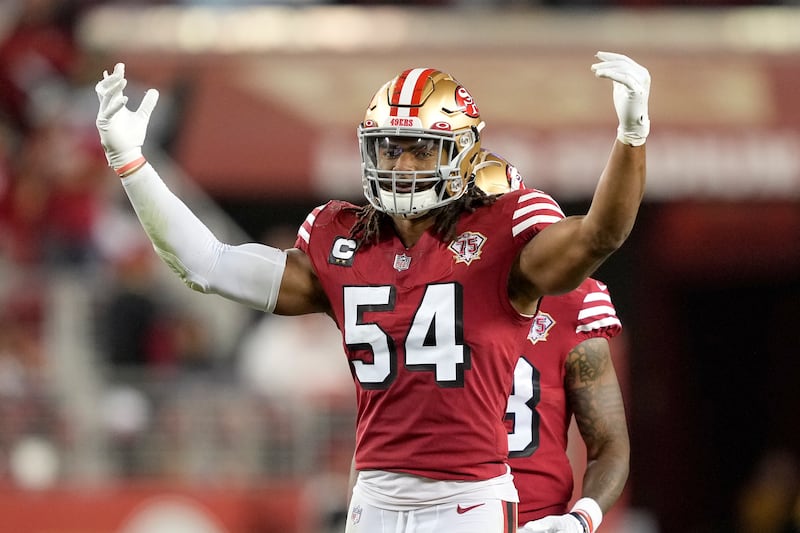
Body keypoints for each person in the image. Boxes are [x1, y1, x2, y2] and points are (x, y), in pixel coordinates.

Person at [94, 52, 650, 532]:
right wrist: (132, 166)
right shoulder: (344, 241)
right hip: (373, 500)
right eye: (389, 148)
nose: (401, 165)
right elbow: (206, 265)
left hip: (469, 497)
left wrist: (631, 136)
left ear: (461, 153)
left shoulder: (502, 238)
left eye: (419, 149)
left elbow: (601, 233)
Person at [342, 157, 630, 533]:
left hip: (533, 520)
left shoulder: (576, 303)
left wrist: (581, 518)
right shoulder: (416, 294)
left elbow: (609, 444)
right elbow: (376, 437)